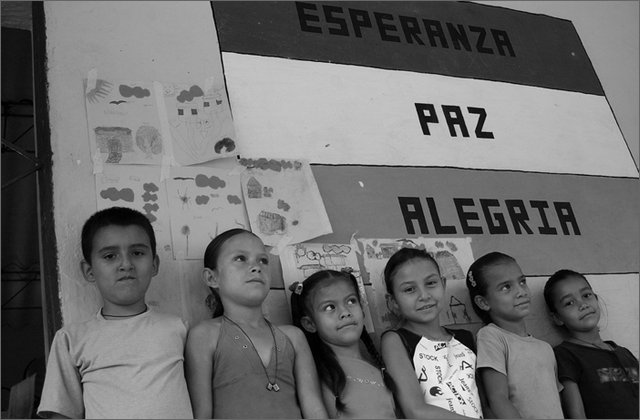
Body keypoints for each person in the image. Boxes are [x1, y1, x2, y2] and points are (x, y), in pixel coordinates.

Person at [37, 206, 193, 419]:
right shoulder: (71, 339)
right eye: (110, 256)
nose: (126, 264)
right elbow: (62, 414)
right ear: (89, 271)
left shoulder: (180, 329)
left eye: (137, 253)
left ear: (154, 264)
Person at [184, 228, 327, 418]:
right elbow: (201, 413)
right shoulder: (204, 335)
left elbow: (314, 409)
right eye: (240, 259)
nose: (256, 267)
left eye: (263, 260)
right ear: (212, 278)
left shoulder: (293, 337)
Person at [380, 247, 484, 419]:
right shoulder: (395, 340)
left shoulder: (465, 338)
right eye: (409, 289)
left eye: (430, 283)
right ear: (393, 302)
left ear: (443, 284)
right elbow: (415, 411)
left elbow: (484, 403)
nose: (424, 295)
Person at [466, 251, 564, 419]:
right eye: (506, 287)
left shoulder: (545, 348)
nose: (521, 292)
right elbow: (497, 399)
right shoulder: (491, 336)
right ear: (483, 302)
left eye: (522, 282)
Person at [289, 269, 397, 419]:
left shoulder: (379, 366)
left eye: (351, 301)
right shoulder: (321, 375)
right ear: (310, 324)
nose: (345, 312)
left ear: (362, 309)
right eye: (329, 307)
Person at [543, 269, 639, 418]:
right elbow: (577, 414)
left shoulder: (625, 353)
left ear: (596, 299)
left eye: (586, 295)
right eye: (569, 303)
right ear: (556, 317)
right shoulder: (566, 355)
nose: (583, 305)